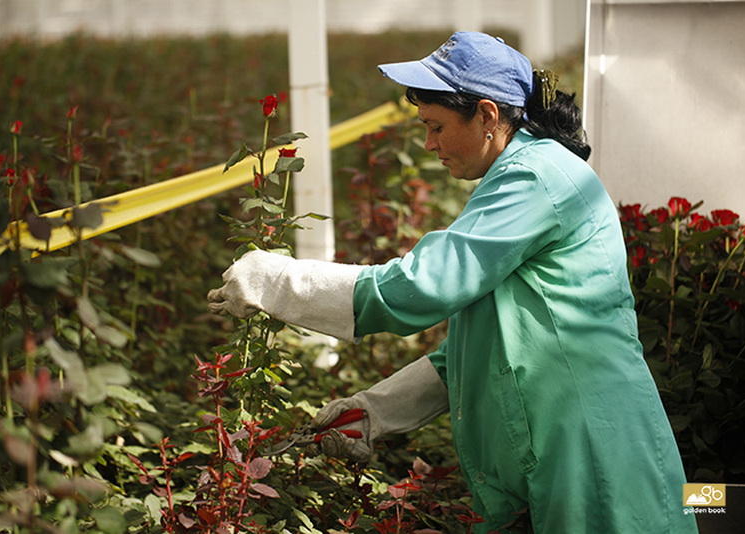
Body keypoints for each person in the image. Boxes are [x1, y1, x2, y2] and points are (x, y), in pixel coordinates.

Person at [207, 32, 697, 534]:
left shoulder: (536, 179)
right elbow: (478, 348)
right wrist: (376, 412)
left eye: (436, 127)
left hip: (590, 449)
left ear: (486, 116)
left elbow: (422, 287)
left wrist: (279, 282)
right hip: (565, 447)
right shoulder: (518, 174)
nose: (429, 144)